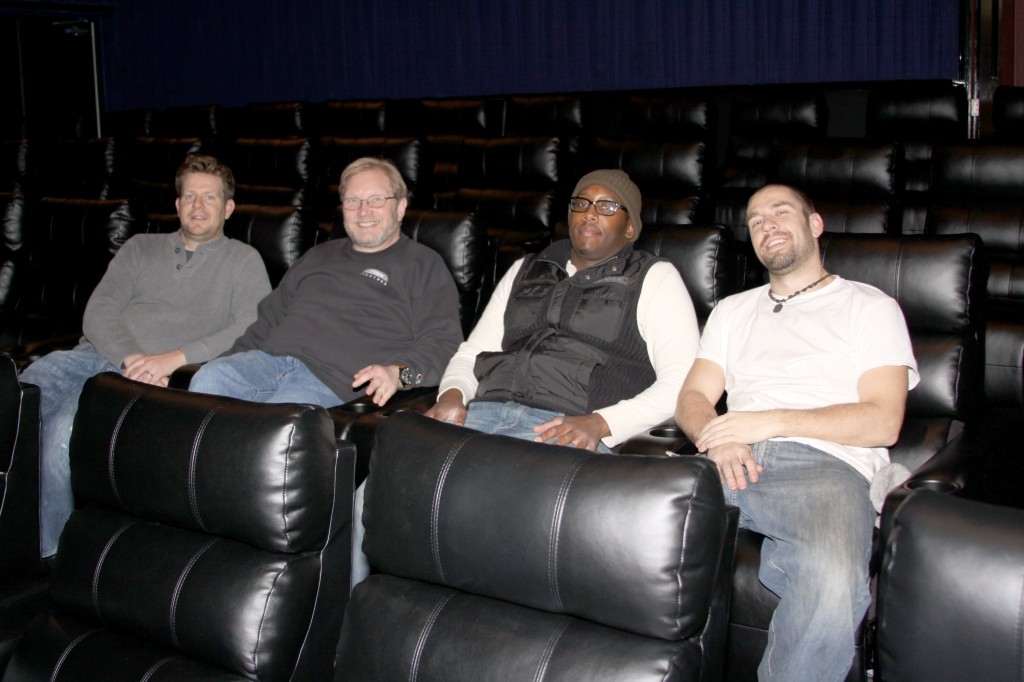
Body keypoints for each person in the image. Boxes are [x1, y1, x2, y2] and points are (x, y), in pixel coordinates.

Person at [675, 184, 919, 681]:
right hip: (726, 455)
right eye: (755, 219)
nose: (767, 224)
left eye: (781, 211)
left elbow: (883, 419)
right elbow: (692, 400)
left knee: (831, 581)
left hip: (824, 466)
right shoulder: (732, 310)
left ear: (815, 224)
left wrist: (771, 419)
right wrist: (718, 437)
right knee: (618, 525)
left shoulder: (869, 307)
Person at [21, 154, 271, 558]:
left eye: (209, 197)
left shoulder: (244, 261)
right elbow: (98, 311)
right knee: (18, 397)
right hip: (100, 356)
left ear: (228, 208)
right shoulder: (140, 247)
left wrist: (172, 359)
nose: (197, 206)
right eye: (189, 196)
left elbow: (248, 328)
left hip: (154, 378)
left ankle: (49, 557)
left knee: (58, 439)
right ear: (176, 204)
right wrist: (131, 358)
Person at [425, 169, 699, 451]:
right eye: (581, 203)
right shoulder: (525, 269)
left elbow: (684, 383)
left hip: (566, 430)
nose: (589, 214)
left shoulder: (654, 277)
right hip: (482, 414)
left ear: (630, 228)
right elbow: (473, 353)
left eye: (607, 206)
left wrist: (601, 422)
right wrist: (452, 395)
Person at [189, 157, 462, 408]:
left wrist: (398, 374)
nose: (363, 211)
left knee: (277, 421)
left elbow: (444, 343)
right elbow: (266, 322)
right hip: (268, 362)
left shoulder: (424, 264)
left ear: (400, 207)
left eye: (376, 200)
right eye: (353, 201)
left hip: (333, 381)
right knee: (210, 378)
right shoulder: (318, 255)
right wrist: (229, 358)